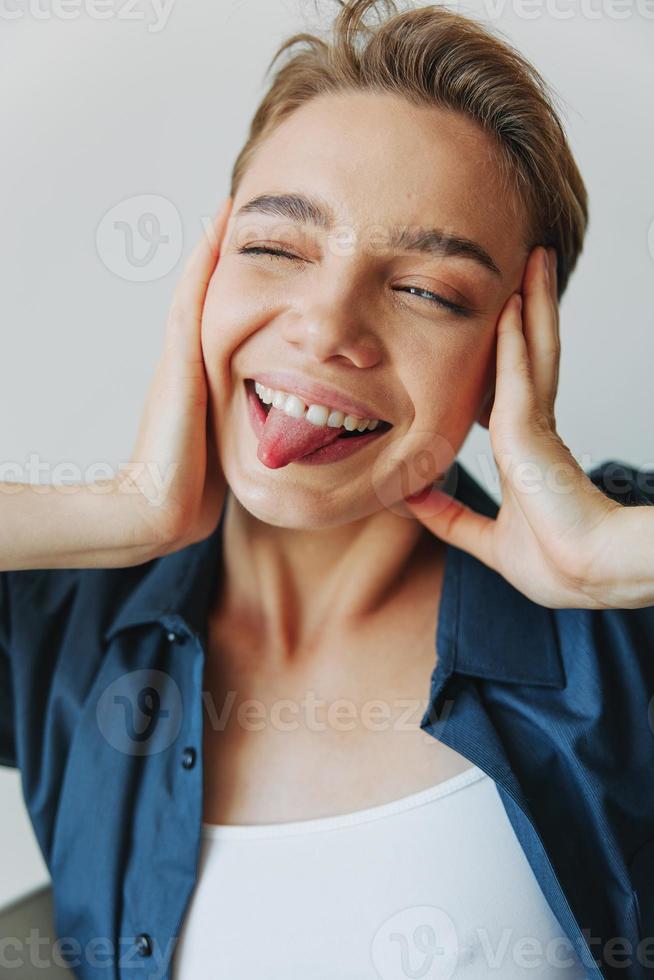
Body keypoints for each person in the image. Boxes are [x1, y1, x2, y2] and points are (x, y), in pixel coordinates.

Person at [1, 0, 653, 977]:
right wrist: (121, 507)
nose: (325, 326)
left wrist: (610, 558)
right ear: (207, 275)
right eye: (274, 247)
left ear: (514, 349)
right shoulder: (68, 619)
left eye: (427, 289)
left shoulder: (614, 618)